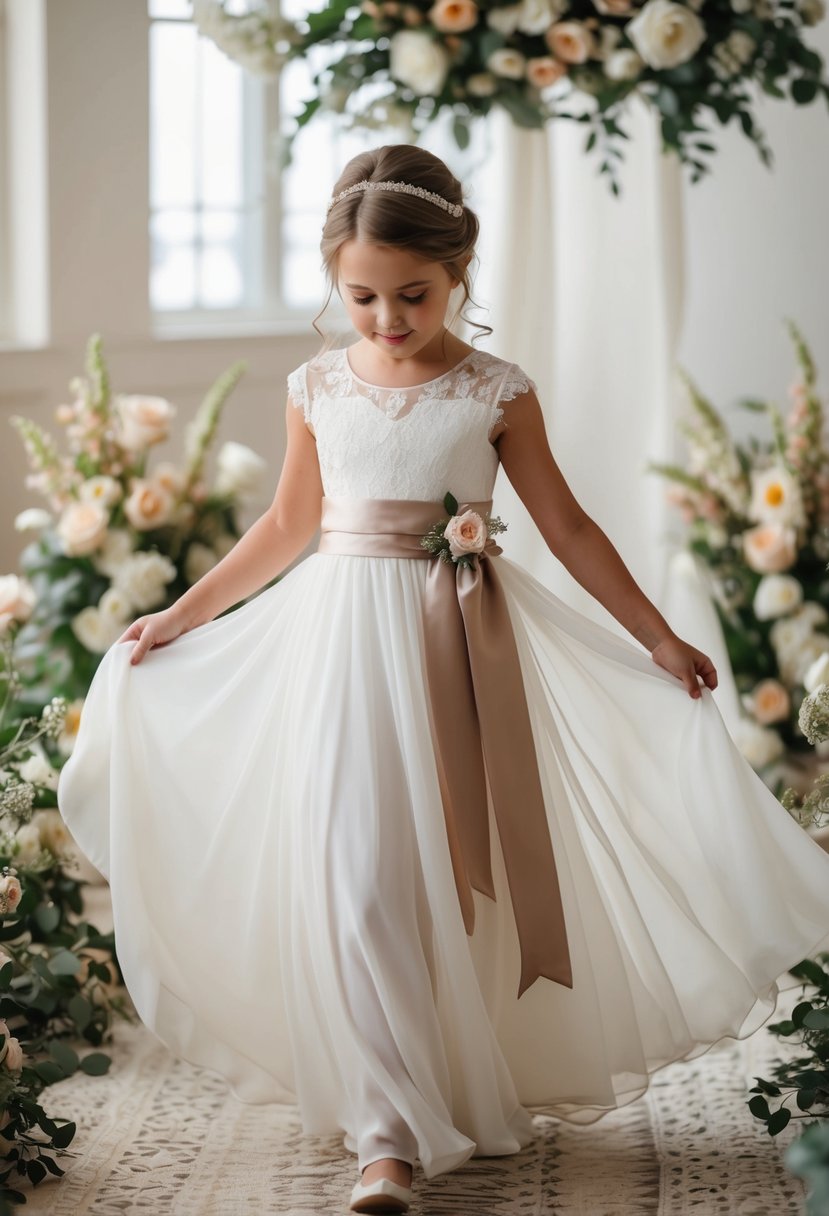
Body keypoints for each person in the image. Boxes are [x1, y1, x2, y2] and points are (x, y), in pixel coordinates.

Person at [57, 143, 829, 1216]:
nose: (384, 317)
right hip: (334, 648)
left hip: (455, 650)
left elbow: (564, 525)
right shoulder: (316, 385)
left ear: (459, 270)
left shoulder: (493, 391)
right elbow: (286, 525)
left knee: (440, 883)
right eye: (360, 295)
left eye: (410, 294)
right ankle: (387, 1133)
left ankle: (426, 1098)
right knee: (354, 878)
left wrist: (655, 633)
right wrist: (183, 616)